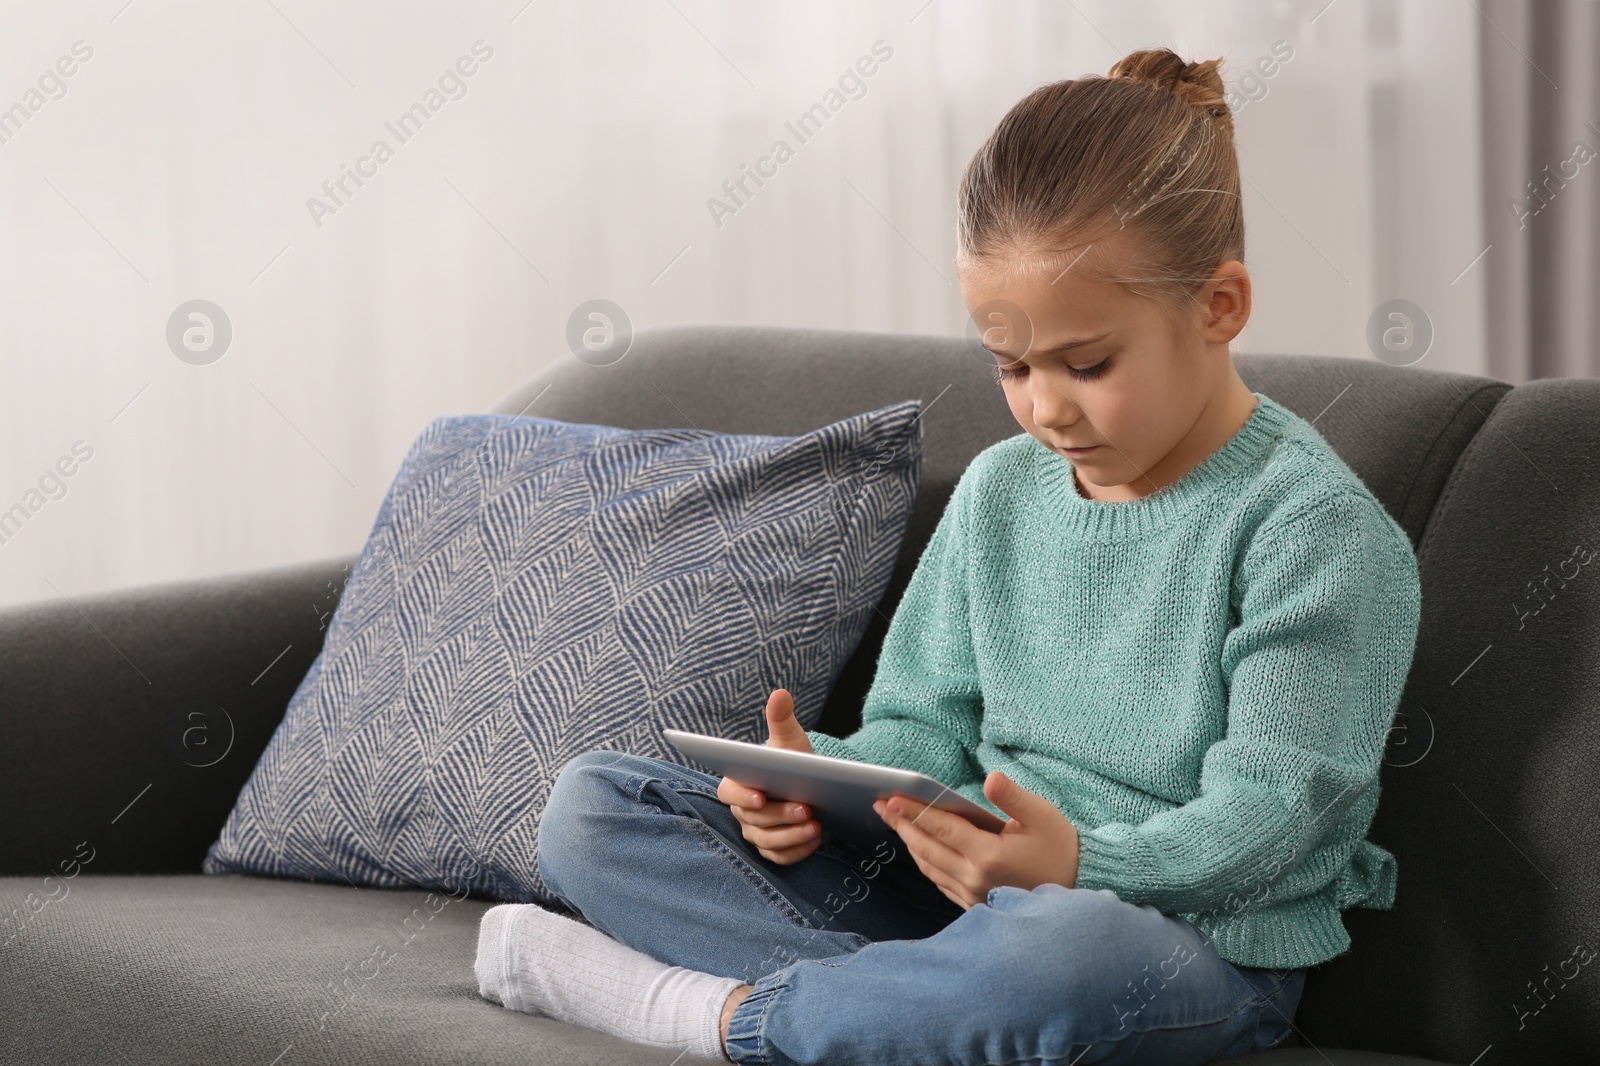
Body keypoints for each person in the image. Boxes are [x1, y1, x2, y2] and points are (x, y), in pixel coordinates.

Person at [473, 47, 1421, 1066]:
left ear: (1218, 307)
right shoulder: (1000, 489)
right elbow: (919, 734)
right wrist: (815, 784)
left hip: (1184, 943)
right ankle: (903, 1010)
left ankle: (715, 1017)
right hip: (956, 899)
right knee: (597, 805)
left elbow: (1270, 824)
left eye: (1088, 364)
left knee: (1061, 951)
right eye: (1010, 364)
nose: (1044, 407)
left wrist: (1072, 865)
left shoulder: (1312, 530)